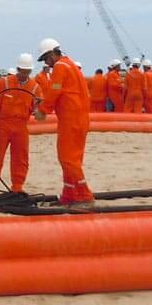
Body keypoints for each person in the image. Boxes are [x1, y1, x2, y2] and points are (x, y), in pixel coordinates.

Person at [34, 38, 94, 205]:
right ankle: (69, 193)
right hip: (78, 118)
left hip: (71, 119)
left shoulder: (60, 66)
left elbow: (54, 91)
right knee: (72, 158)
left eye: (46, 58)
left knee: (68, 159)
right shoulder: (70, 65)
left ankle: (84, 195)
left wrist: (43, 111)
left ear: (53, 54)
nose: (47, 62)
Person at [0, 53, 42, 195]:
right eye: (23, 71)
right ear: (18, 69)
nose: (25, 74)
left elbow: (39, 107)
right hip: (3, 125)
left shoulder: (34, 88)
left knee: (21, 158)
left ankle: (17, 186)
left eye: (28, 72)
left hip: (21, 127)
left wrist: (39, 110)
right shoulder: (4, 83)